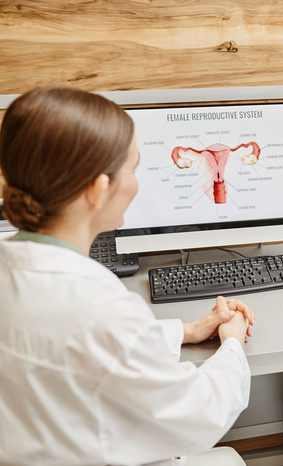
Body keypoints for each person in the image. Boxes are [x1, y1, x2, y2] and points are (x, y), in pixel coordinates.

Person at [0, 86, 255, 466]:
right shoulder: (98, 306)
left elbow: (81, 349)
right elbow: (197, 416)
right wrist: (232, 344)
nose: (137, 183)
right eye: (133, 168)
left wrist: (185, 331)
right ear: (98, 189)